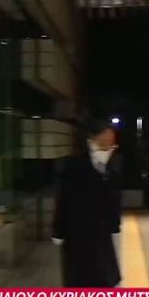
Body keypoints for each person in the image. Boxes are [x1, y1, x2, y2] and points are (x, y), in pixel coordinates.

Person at [52, 119, 122, 288]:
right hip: (77, 230)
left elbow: (114, 197)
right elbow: (63, 198)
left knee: (102, 275)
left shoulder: (113, 162)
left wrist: (114, 224)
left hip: (101, 230)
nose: (110, 143)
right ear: (94, 138)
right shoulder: (73, 163)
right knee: (80, 276)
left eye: (112, 140)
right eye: (106, 138)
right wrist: (58, 230)